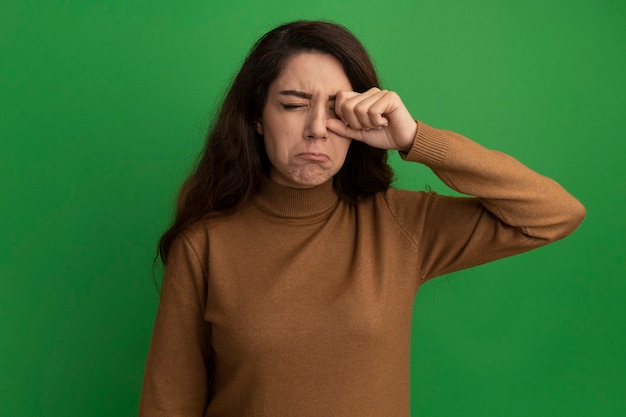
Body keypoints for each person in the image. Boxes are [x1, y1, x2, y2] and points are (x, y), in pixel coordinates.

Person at [138, 20, 585, 417]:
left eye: (336, 109)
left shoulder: (398, 224)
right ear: (257, 117)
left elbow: (554, 214)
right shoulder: (205, 244)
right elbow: (169, 402)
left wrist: (413, 138)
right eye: (293, 104)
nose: (316, 128)